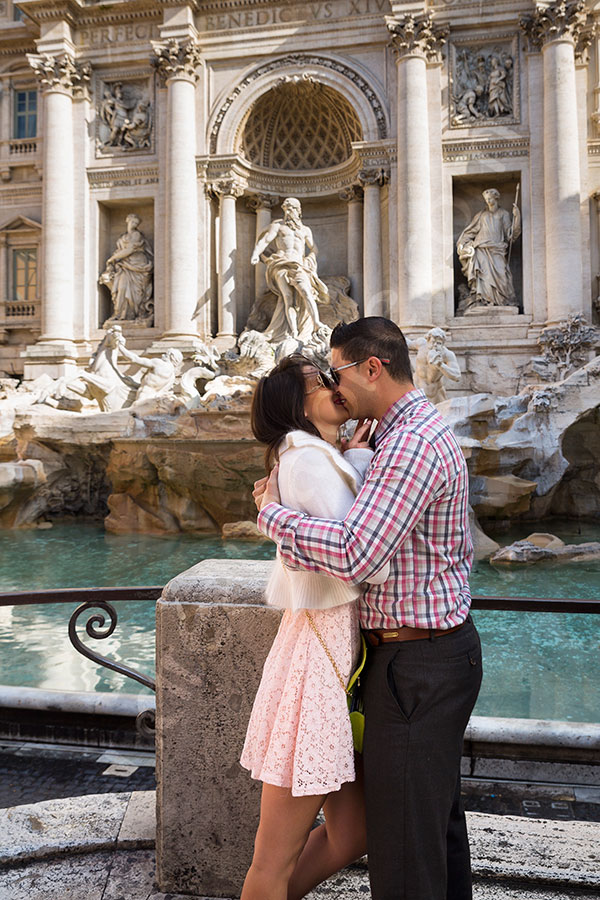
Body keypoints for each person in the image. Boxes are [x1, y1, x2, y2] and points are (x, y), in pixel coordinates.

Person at [253, 317, 482, 900]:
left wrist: (273, 518)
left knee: (408, 848)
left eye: (338, 371)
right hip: (413, 657)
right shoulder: (397, 436)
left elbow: (357, 554)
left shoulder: (408, 443)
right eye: (323, 378)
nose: (337, 385)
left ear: (370, 369)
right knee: (430, 832)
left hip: (417, 662)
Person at [240, 354, 389, 900]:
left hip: (332, 653)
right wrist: (362, 461)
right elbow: (360, 558)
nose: (335, 385)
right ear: (297, 403)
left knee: (352, 835)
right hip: (317, 662)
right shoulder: (302, 461)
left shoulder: (319, 457)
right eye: (321, 381)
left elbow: (345, 532)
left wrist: (356, 457)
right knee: (271, 860)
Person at [250, 197, 329, 343]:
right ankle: (293, 332)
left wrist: (309, 261)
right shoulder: (278, 226)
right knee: (288, 298)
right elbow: (266, 240)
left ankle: (316, 323)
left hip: (299, 265)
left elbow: (314, 249)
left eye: (292, 208)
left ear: (298, 211)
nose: (288, 211)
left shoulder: (305, 230)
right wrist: (256, 254)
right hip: (281, 263)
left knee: (306, 293)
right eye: (286, 208)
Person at [456, 188, 520, 309]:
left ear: (496, 198)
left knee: (502, 275)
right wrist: (462, 244)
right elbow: (470, 232)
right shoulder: (481, 215)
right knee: (483, 276)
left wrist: (517, 218)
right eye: (486, 199)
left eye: (490, 198)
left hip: (497, 249)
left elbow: (510, 235)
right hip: (481, 249)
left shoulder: (504, 214)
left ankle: (501, 301)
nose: (488, 200)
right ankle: (483, 301)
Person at [408, 327, 462, 404]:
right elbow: (407, 343)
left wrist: (441, 365)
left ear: (443, 344)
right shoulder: (421, 344)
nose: (435, 345)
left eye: (439, 343)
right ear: (428, 340)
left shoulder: (447, 354)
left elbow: (457, 376)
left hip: (435, 393)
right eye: (433, 342)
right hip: (416, 388)